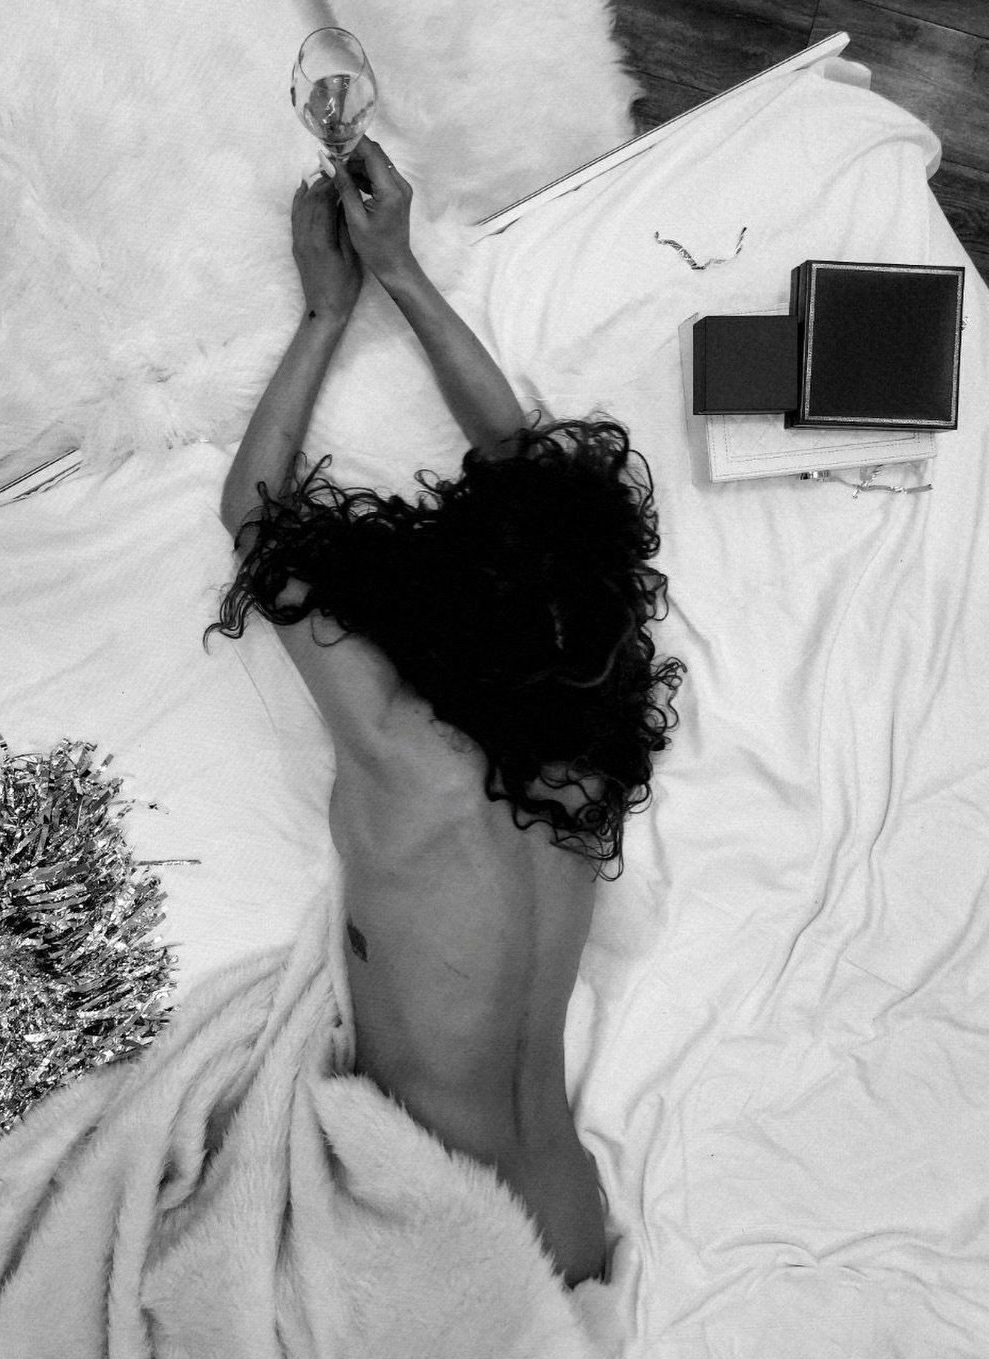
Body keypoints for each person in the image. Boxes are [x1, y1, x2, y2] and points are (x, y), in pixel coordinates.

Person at [205, 135, 684, 1287]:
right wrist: (404, 273)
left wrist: (328, 313)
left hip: (434, 1223)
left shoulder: (396, 746)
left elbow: (254, 514)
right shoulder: (585, 752)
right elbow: (536, 480)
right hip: (569, 1219)